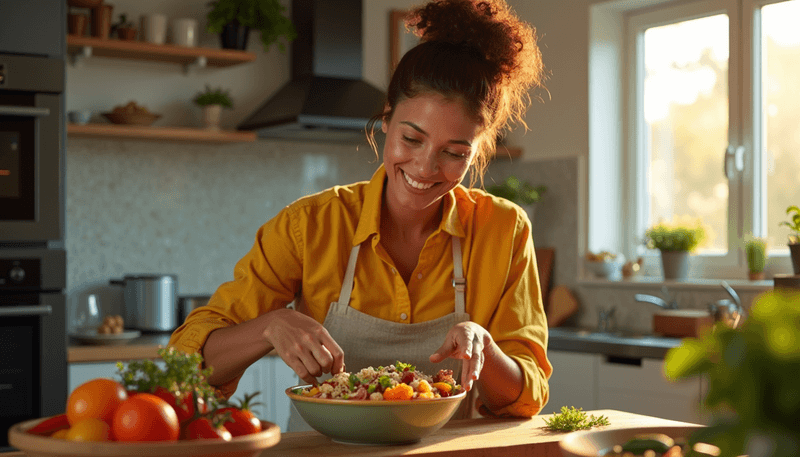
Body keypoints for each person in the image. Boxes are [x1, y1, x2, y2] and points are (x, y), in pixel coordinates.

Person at [169, 0, 552, 422]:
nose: (425, 168)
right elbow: (186, 366)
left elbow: (526, 396)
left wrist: (486, 346)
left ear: (479, 151)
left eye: (454, 152)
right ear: (387, 119)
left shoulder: (503, 228)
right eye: (411, 139)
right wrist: (269, 326)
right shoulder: (309, 225)